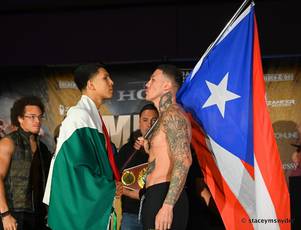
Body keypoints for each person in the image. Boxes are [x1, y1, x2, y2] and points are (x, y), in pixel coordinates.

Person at [43, 63, 122, 230]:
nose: (112, 82)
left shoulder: (91, 116)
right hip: (76, 210)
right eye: (105, 78)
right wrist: (108, 186)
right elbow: (75, 169)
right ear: (90, 84)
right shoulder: (79, 117)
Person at [140, 64, 192, 230]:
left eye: (153, 80)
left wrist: (168, 206)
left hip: (165, 195)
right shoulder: (164, 117)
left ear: (166, 85)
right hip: (156, 194)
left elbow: (184, 160)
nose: (147, 84)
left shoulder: (173, 115)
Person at [0, 96, 52, 230]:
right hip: (14, 213)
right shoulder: (8, 143)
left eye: (40, 117)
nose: (37, 121)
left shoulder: (43, 148)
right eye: (32, 117)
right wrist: (5, 214)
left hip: (40, 214)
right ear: (20, 119)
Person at [116, 103, 159, 230]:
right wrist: (121, 189)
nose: (149, 124)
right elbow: (115, 177)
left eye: (154, 120)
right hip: (130, 214)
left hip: (155, 213)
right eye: (145, 120)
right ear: (139, 122)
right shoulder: (127, 149)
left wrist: (149, 150)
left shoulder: (164, 149)